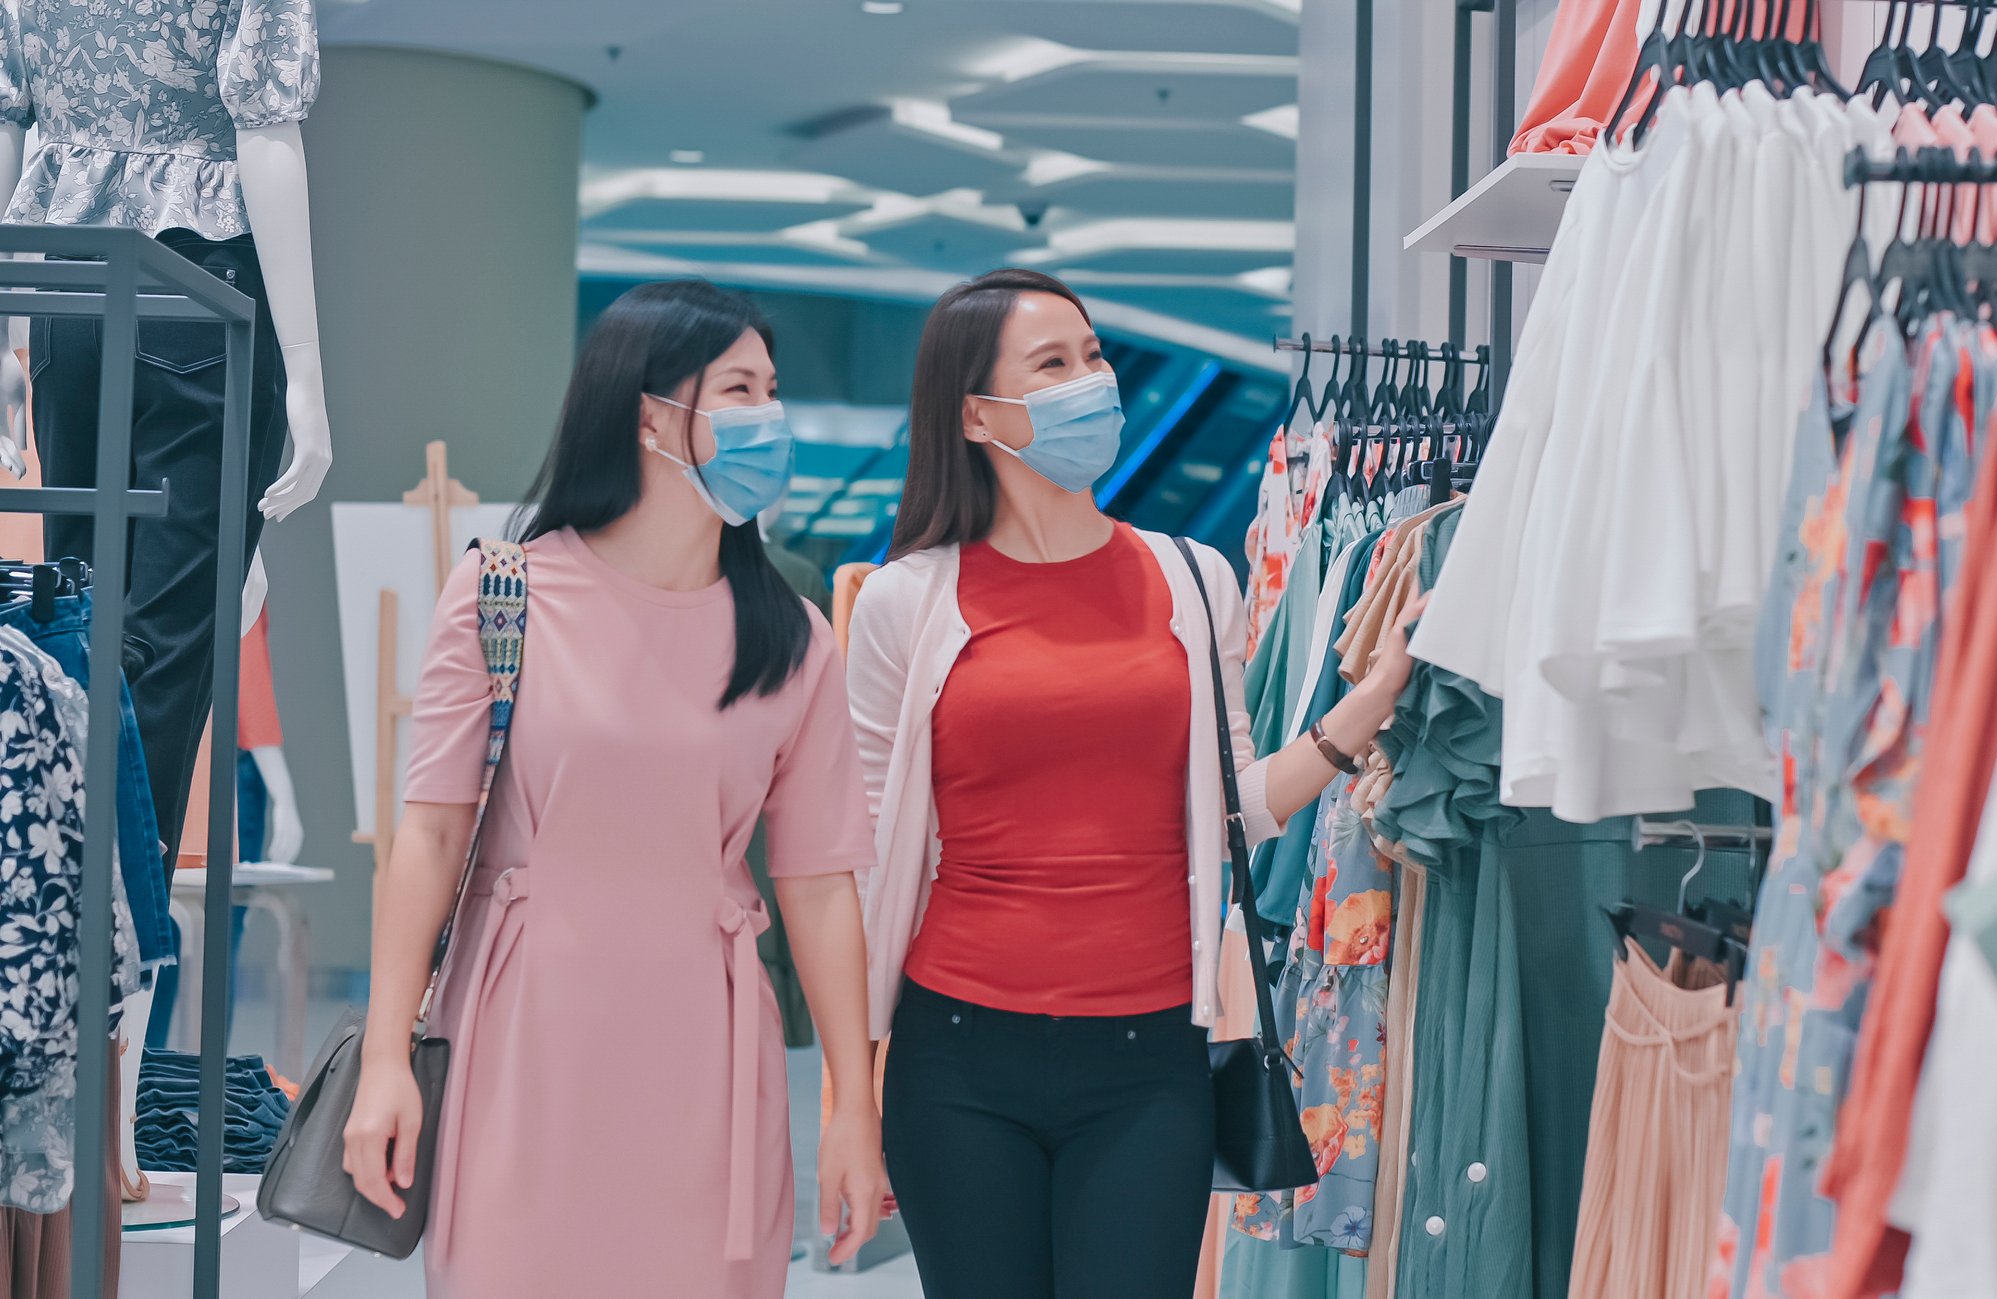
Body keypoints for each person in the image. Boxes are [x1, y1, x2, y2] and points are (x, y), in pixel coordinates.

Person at [849, 268, 1425, 1299]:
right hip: (958, 1054)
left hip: (1151, 1054)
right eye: (1054, 364)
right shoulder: (907, 601)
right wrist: (849, 1091)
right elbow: (863, 851)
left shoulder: (1191, 578)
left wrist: (1368, 701)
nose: (1093, 382)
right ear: (979, 413)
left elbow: (1232, 808)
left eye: (1095, 355)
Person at [343, 280, 886, 1297]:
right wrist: (384, 1060)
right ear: (646, 413)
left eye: (772, 390)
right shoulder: (504, 591)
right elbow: (427, 839)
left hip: (709, 1058)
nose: (767, 417)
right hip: (522, 1038)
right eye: (737, 389)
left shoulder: (791, 639)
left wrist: (854, 1110)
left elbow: (819, 886)